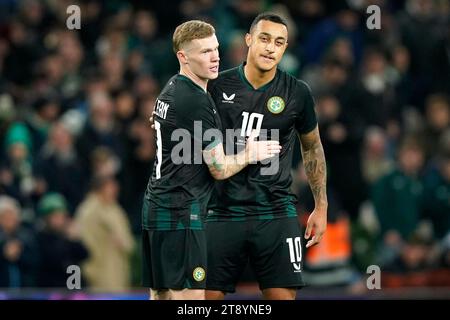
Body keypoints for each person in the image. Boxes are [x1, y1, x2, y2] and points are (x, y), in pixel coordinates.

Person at [142, 20, 281, 300]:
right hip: (182, 212)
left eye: (215, 49)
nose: (216, 57)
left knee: (161, 297)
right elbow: (219, 169)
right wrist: (252, 153)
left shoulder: (171, 88)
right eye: (205, 52)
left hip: (156, 210)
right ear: (183, 57)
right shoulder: (195, 101)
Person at [205, 13, 328, 300]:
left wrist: (321, 206)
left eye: (279, 42)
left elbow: (312, 148)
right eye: (264, 39)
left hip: (276, 213)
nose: (271, 47)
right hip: (222, 212)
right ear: (248, 40)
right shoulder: (215, 87)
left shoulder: (297, 92)